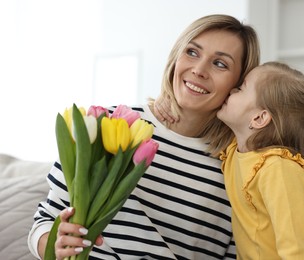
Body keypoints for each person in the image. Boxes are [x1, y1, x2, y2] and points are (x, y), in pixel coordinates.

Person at [27, 14, 260, 259]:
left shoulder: (236, 166)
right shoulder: (108, 124)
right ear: (175, 58)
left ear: (239, 84)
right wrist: (53, 243)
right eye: (192, 52)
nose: (199, 70)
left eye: (220, 64)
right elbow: (44, 220)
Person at [216, 62, 304, 260]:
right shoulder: (235, 152)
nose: (232, 89)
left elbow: (296, 250)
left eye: (241, 88)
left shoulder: (279, 170)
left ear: (259, 118)